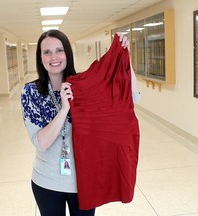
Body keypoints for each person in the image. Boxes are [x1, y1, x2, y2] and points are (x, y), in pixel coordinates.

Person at [21, 29, 136, 216]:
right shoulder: (31, 92)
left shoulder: (84, 84)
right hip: (46, 181)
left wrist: (124, 59)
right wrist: (64, 109)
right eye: (47, 52)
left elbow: (131, 96)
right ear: (40, 57)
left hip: (84, 180)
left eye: (59, 50)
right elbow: (41, 142)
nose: (54, 57)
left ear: (68, 53)